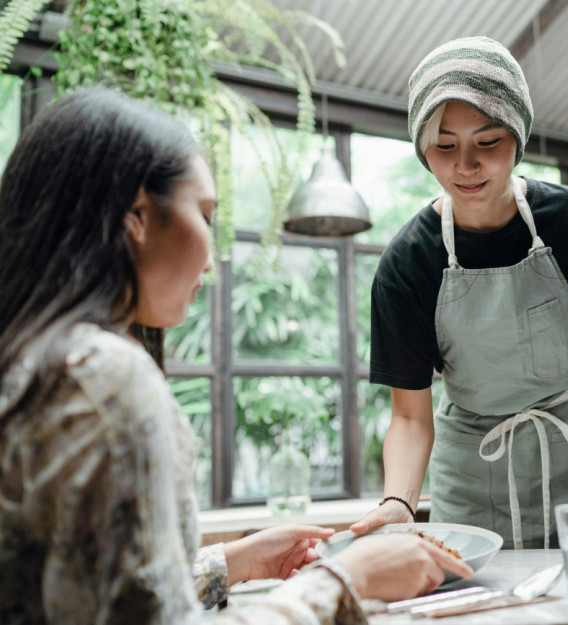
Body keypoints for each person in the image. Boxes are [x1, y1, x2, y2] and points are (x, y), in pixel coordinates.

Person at [0, 87, 471, 625]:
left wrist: (229, 563)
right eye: (204, 214)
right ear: (135, 216)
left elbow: (92, 595)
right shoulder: (105, 380)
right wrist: (342, 580)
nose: (213, 252)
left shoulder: (32, 361)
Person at [351, 37, 568, 549]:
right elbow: (410, 415)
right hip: (472, 470)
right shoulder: (408, 263)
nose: (466, 165)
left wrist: (545, 381)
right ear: (422, 148)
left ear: (518, 136)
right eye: (445, 145)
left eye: (488, 142)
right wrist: (398, 503)